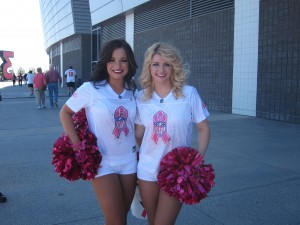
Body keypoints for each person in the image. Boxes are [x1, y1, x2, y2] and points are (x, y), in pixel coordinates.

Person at [59, 39, 138, 225]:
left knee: (121, 218)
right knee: (116, 220)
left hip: (129, 161)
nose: (117, 66)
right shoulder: (91, 89)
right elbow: (65, 113)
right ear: (104, 62)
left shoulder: (133, 90)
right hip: (102, 163)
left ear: (130, 63)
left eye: (123, 60)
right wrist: (78, 145)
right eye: (112, 60)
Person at [135, 42, 211, 225]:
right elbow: (138, 134)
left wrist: (196, 162)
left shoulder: (188, 94)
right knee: (152, 221)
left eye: (166, 64)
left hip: (177, 172)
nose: (161, 69)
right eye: (155, 64)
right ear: (149, 67)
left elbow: (204, 129)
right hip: (147, 171)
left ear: (173, 66)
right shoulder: (141, 97)